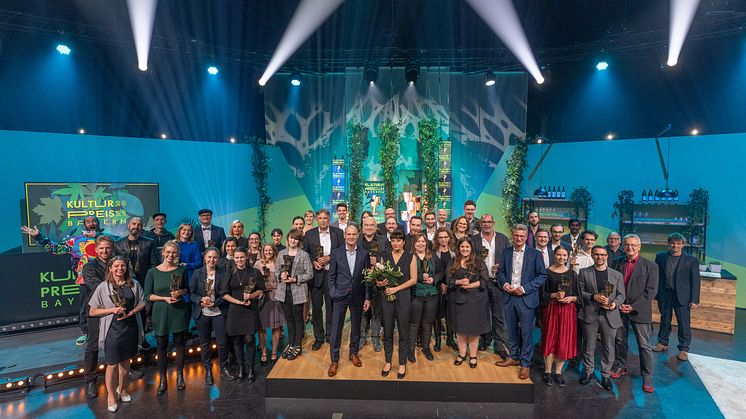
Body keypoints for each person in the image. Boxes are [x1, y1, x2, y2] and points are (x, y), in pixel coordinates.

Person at [22, 215, 103, 346]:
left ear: (98, 223)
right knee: (86, 307)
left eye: (94, 221)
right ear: (84, 224)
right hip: (85, 280)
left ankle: (105, 331)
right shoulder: (76, 241)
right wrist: (38, 236)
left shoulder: (107, 238)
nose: (92, 223)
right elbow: (56, 249)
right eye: (88, 221)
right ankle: (86, 333)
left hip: (105, 278)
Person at [88, 256, 145, 412]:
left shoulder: (133, 283)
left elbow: (143, 301)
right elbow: (92, 311)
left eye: (123, 266)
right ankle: (111, 395)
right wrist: (112, 310)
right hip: (112, 329)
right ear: (110, 269)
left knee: (126, 362)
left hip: (130, 327)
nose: (120, 269)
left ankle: (122, 388)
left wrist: (134, 311)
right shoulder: (103, 287)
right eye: (117, 266)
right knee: (112, 364)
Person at [496, 224, 547, 380]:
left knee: (526, 334)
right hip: (509, 297)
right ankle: (513, 356)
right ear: (513, 235)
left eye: (521, 236)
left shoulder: (535, 254)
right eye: (516, 235)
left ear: (526, 237)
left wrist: (524, 288)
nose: (518, 238)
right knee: (510, 330)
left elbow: (542, 276)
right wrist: (504, 284)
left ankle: (525, 364)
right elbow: (500, 272)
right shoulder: (505, 252)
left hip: (526, 299)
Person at [610, 234, 659, 393]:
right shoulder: (616, 263)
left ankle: (647, 376)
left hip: (640, 311)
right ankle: (621, 366)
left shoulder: (650, 266)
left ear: (639, 247)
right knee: (620, 341)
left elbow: (650, 291)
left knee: (644, 345)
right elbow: (611, 285)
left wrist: (632, 306)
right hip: (619, 309)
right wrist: (617, 303)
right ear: (622, 247)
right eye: (627, 245)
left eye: (633, 245)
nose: (630, 248)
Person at [145, 240, 190, 395]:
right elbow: (148, 295)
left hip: (178, 310)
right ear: (163, 252)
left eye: (174, 253)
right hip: (161, 311)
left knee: (179, 344)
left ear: (178, 254)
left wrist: (180, 293)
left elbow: (186, 289)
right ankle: (163, 379)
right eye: (168, 252)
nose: (171, 255)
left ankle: (179, 376)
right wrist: (164, 298)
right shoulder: (152, 272)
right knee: (161, 346)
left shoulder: (181, 270)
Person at [577, 246, 625, 391]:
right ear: (592, 255)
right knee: (588, 346)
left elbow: (621, 295)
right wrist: (593, 296)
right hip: (590, 313)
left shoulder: (616, 275)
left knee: (608, 347)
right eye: (596, 254)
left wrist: (614, 304)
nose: (599, 257)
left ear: (607, 256)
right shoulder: (584, 272)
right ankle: (588, 371)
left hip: (609, 315)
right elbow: (580, 292)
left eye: (602, 254)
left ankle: (605, 375)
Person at [327, 225, 371, 377]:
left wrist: (367, 297)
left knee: (356, 327)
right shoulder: (336, 253)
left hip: (358, 296)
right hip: (340, 295)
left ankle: (353, 353)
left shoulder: (364, 253)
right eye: (349, 234)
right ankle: (334, 360)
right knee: (336, 329)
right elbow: (331, 276)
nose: (351, 237)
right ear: (344, 236)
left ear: (358, 235)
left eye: (354, 234)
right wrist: (333, 292)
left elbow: (366, 278)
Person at [653, 233, 701, 361]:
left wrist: (694, 300)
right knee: (664, 320)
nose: (675, 246)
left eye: (678, 243)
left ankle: (684, 349)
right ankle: (662, 343)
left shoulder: (691, 260)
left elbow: (695, 281)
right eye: (673, 243)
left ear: (683, 245)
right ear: (669, 244)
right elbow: (656, 277)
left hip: (683, 296)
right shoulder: (660, 257)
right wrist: (655, 293)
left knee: (684, 323)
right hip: (665, 294)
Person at [189, 247, 234, 384]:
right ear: (204, 258)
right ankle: (208, 369)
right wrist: (201, 300)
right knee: (205, 344)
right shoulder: (197, 273)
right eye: (209, 257)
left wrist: (215, 302)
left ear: (218, 259)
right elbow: (192, 293)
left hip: (218, 311)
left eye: (215, 257)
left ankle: (223, 367)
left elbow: (227, 293)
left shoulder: (224, 273)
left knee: (222, 342)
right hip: (202, 313)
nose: (212, 260)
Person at [221, 247, 265, 382]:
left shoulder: (255, 272)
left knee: (249, 339)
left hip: (250, 309)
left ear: (246, 257)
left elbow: (261, 290)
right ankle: (241, 368)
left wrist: (251, 295)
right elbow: (224, 294)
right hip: (235, 309)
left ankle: (251, 368)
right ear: (234, 259)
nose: (239, 260)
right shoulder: (229, 272)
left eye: (241, 257)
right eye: (237, 258)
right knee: (237, 340)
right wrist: (239, 302)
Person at [470, 214, 510, 358]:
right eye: (484, 222)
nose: (486, 224)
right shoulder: (474, 240)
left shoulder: (503, 239)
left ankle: (499, 345)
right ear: (480, 223)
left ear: (493, 223)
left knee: (498, 316)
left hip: (497, 283)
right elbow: (469, 261)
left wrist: (500, 267)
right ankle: (483, 340)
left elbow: (509, 259)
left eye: (489, 222)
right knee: (481, 314)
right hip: (481, 282)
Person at [446, 236, 491, 368]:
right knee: (460, 330)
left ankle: (473, 356)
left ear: (471, 248)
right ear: (458, 248)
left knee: (473, 330)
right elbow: (448, 280)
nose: (464, 249)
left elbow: (485, 280)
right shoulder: (453, 261)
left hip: (476, 301)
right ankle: (462, 354)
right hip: (457, 300)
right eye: (462, 246)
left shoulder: (479, 262)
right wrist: (459, 282)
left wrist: (471, 285)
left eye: (467, 247)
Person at [379, 230, 417, 379]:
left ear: (403, 242)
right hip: (387, 296)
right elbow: (380, 277)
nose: (396, 243)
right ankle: (388, 361)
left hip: (403, 297)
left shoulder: (410, 257)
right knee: (387, 331)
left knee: (403, 331)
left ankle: (402, 363)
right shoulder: (385, 257)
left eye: (398, 240)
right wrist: (379, 282)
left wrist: (397, 288)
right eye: (393, 240)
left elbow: (413, 279)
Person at [303, 209, 344, 350]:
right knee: (316, 309)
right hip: (316, 276)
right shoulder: (309, 234)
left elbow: (342, 251)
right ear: (316, 219)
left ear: (329, 218)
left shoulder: (338, 233)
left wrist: (330, 257)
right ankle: (318, 337)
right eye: (320, 218)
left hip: (332, 276)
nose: (323, 220)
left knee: (331, 307)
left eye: (325, 218)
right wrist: (313, 261)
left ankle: (330, 335)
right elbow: (305, 252)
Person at [539, 246, 580, 387]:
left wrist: (571, 299)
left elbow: (578, 296)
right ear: (554, 255)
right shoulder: (546, 273)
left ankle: (558, 372)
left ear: (568, 256)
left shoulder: (573, 274)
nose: (561, 257)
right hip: (551, 309)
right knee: (550, 340)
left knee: (563, 340)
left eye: (564, 255)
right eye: (559, 255)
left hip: (568, 311)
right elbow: (541, 295)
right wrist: (554, 295)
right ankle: (547, 371)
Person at [81, 235, 115, 399]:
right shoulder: (89, 267)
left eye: (107, 248)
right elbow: (97, 288)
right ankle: (90, 381)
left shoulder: (118, 264)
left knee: (115, 342)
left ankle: (122, 371)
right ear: (96, 250)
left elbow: (128, 281)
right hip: (97, 311)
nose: (105, 251)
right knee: (93, 347)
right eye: (101, 248)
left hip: (115, 309)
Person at [275, 229, 313, 360]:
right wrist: (281, 275)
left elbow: (309, 274)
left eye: (296, 239)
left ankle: (298, 346)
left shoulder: (304, 255)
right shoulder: (281, 254)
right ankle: (290, 344)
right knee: (289, 319)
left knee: (298, 319)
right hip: (283, 292)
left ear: (299, 241)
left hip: (297, 291)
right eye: (291, 238)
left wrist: (295, 278)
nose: (293, 240)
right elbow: (276, 272)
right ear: (288, 238)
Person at [408, 234, 443, 362]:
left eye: (423, 241)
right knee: (414, 324)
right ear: (414, 243)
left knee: (427, 324)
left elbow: (441, 272)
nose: (421, 244)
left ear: (426, 243)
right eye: (418, 242)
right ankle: (410, 350)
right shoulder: (409, 256)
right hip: (415, 293)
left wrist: (434, 279)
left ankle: (426, 347)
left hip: (431, 294)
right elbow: (406, 274)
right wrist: (419, 277)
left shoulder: (432, 256)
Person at [357, 216, 390, 352]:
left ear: (376, 227)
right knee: (362, 310)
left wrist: (378, 264)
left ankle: (375, 337)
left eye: (372, 225)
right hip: (360, 281)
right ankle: (362, 337)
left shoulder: (383, 241)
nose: (369, 227)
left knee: (377, 311)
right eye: (366, 225)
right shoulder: (356, 239)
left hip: (378, 281)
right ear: (362, 226)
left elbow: (389, 259)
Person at [255, 243, 285, 365]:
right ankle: (263, 352)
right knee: (261, 327)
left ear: (274, 251)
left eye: (270, 250)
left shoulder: (279, 263)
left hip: (275, 297)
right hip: (262, 298)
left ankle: (273, 351)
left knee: (275, 326)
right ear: (263, 251)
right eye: (266, 250)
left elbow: (283, 280)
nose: (268, 252)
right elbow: (253, 281)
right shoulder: (258, 264)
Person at [433, 227, 456, 351]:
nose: (443, 239)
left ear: (449, 238)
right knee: (437, 315)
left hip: (451, 287)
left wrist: (448, 284)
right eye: (440, 237)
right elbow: (433, 270)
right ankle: (437, 340)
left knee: (450, 314)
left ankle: (450, 339)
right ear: (437, 239)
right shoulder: (433, 252)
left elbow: (456, 271)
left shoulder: (454, 252)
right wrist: (441, 283)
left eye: (445, 237)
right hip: (436, 287)